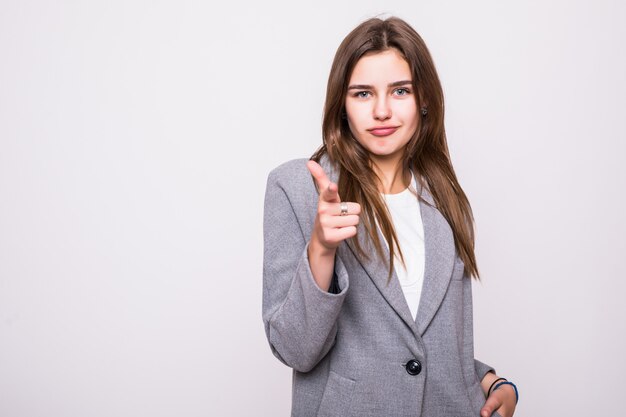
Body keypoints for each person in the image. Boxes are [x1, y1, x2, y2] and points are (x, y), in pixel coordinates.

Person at [262, 16, 518, 417]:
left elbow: (420, 345)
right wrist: (322, 251)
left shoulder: (447, 201)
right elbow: (296, 350)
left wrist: (489, 380)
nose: (382, 111)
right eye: (362, 94)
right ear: (342, 106)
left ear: (424, 100)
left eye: (400, 91)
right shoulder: (295, 187)